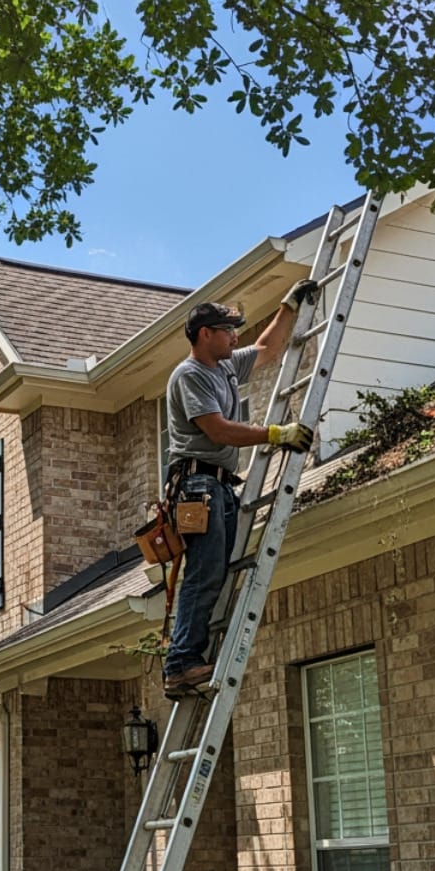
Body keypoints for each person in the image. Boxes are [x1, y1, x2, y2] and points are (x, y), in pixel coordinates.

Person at [162, 287, 314, 697]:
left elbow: (267, 348)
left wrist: (288, 306)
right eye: (229, 331)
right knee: (204, 572)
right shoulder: (190, 375)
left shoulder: (227, 367)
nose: (235, 337)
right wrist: (275, 434)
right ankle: (180, 664)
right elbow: (217, 429)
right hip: (197, 485)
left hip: (220, 486)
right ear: (206, 334)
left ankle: (190, 657)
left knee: (216, 572)